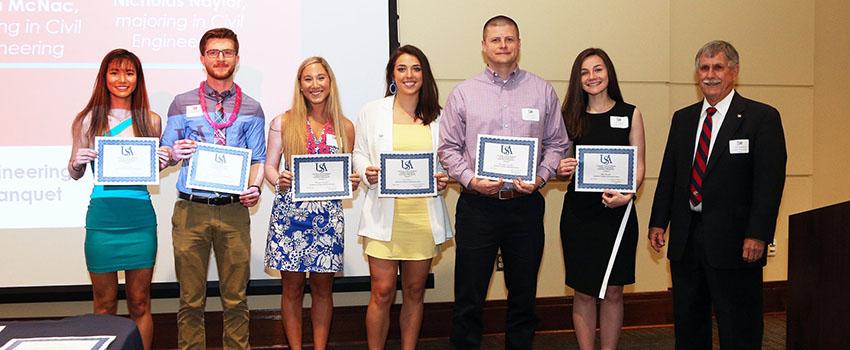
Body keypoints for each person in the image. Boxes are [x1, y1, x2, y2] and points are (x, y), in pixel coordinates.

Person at [438, 15, 570, 349]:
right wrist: (470, 180)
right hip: (477, 208)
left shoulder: (541, 90)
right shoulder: (465, 93)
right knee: (469, 296)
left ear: (519, 44)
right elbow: (448, 148)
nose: (503, 45)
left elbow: (557, 143)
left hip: (524, 207)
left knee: (523, 296)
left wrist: (540, 177)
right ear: (484, 47)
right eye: (495, 40)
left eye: (509, 39)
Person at [648, 40, 786, 349]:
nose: (710, 75)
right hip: (686, 239)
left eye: (718, 67)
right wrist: (659, 221)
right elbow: (670, 174)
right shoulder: (683, 119)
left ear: (734, 72)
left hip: (737, 243)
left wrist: (758, 234)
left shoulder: (761, 118)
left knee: (739, 325)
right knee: (688, 323)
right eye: (704, 68)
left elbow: (769, 183)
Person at [161, 27, 266, 350]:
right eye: (213, 52)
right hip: (190, 211)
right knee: (191, 301)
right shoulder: (181, 103)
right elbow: (164, 154)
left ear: (237, 57)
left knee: (235, 300)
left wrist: (255, 188)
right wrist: (172, 154)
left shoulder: (252, 107)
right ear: (202, 57)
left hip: (234, 211)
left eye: (227, 52)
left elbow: (258, 159)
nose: (220, 59)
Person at [68, 48, 170, 350]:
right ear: (104, 77)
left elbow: (154, 166)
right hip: (103, 220)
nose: (122, 79)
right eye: (115, 72)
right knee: (104, 304)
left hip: (139, 219)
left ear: (138, 78)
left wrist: (162, 161)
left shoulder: (151, 120)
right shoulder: (87, 119)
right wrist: (77, 162)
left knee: (140, 303)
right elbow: (74, 172)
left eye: (129, 72)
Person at [353, 45, 453, 350]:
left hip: (422, 218)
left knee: (413, 291)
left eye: (416, 69)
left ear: (425, 75)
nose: (409, 75)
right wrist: (366, 171)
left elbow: (447, 160)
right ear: (392, 75)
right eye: (402, 69)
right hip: (384, 215)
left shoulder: (440, 116)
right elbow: (358, 152)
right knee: (381, 291)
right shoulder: (372, 111)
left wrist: (443, 176)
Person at [263, 56, 359, 350]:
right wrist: (277, 178)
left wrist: (351, 181)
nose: (315, 84)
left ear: (330, 82)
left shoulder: (345, 126)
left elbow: (346, 172)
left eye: (320, 78)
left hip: (328, 218)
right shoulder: (283, 122)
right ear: (300, 85)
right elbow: (269, 167)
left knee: (322, 289)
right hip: (289, 216)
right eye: (308, 79)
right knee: (291, 288)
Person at [556, 48, 646, 350]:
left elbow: (640, 165)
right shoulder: (569, 117)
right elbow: (558, 162)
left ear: (609, 73)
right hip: (579, 216)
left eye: (598, 69)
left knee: (614, 290)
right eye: (584, 72)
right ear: (577, 79)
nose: (592, 77)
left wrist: (628, 194)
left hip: (618, 214)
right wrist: (561, 167)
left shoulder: (630, 113)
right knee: (583, 291)